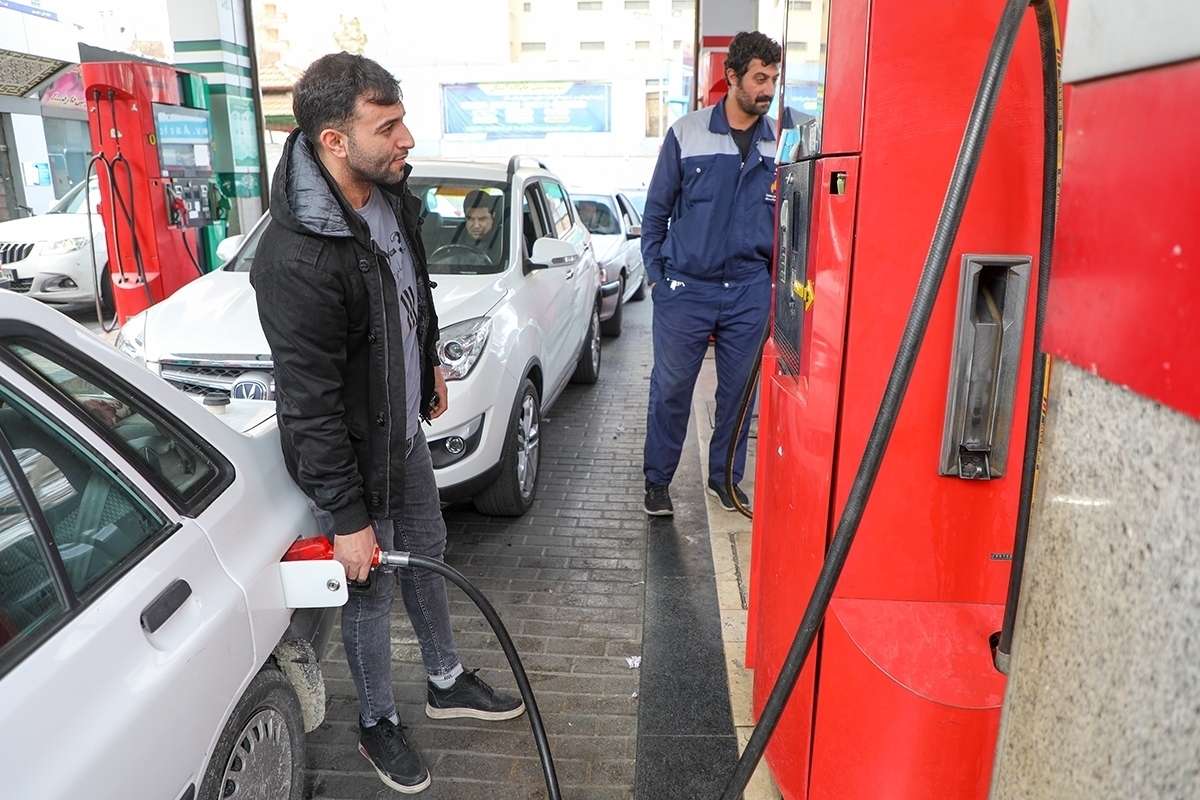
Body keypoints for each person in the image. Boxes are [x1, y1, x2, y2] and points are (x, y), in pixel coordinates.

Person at [250, 52, 524, 795]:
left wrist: (428, 357)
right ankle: (376, 721)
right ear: (335, 141)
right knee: (369, 583)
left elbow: (413, 286)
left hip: (401, 429)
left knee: (429, 547)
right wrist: (346, 516)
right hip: (355, 450)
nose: (407, 138)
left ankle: (443, 677)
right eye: (389, 125)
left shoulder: (389, 195)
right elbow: (308, 405)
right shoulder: (297, 256)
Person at [640, 30, 781, 516]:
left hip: (748, 290)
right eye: (760, 78)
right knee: (672, 389)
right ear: (733, 77)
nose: (768, 89)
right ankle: (657, 482)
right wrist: (658, 278)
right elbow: (655, 214)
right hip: (686, 289)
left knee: (739, 394)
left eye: (774, 79)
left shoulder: (779, 143)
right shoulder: (687, 132)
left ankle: (724, 480)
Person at [451, 188, 502, 263]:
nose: (476, 226)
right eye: (470, 219)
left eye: (482, 219)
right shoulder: (452, 237)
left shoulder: (504, 240)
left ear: (493, 216)